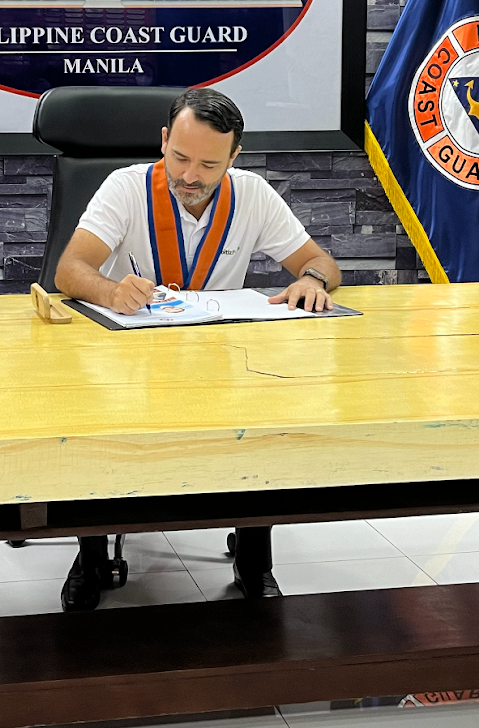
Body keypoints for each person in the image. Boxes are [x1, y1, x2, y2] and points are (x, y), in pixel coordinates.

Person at [52, 87, 342, 611]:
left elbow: (321, 261)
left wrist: (313, 280)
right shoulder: (126, 187)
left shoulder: (251, 193)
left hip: (217, 356)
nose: (189, 175)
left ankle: (255, 557)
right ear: (163, 140)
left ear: (234, 158)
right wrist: (110, 290)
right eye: (180, 157)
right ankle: (91, 554)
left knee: (267, 420)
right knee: (90, 424)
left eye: (208, 164)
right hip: (129, 354)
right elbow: (70, 270)